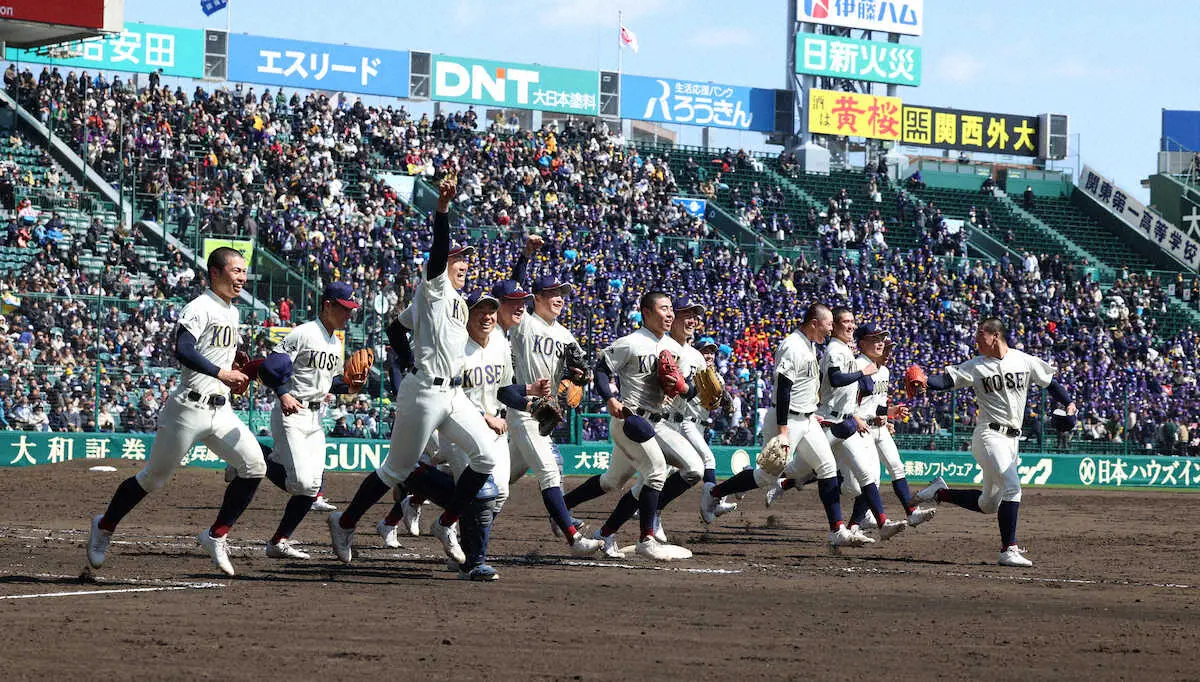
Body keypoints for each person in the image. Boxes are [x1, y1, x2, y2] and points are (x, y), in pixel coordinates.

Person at [325, 175, 499, 567]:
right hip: (423, 393)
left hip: (453, 395)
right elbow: (438, 251)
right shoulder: (434, 287)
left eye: (466, 259)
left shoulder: (452, 302)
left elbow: (394, 327)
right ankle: (346, 520)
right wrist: (442, 210)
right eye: (458, 258)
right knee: (396, 469)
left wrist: (403, 355)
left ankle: (446, 522)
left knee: (485, 458)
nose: (463, 263)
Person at [86, 247, 265, 576]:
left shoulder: (232, 312)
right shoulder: (199, 307)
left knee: (254, 466)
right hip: (188, 409)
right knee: (153, 479)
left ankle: (216, 536)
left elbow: (221, 351)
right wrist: (221, 372)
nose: (242, 277)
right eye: (236, 270)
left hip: (221, 409)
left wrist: (235, 366)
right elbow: (183, 349)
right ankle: (105, 526)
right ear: (215, 273)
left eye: (244, 272)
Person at [377, 291, 549, 580]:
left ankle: (437, 508)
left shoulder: (499, 343)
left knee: (499, 494)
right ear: (465, 316)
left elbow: (505, 390)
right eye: (479, 311)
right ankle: (472, 561)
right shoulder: (454, 347)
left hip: (495, 426)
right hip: (459, 426)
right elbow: (447, 393)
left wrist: (529, 401)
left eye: (491, 311)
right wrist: (484, 417)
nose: (487, 316)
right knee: (481, 493)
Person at [909, 318, 1077, 567]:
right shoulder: (976, 366)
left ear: (995, 336)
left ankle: (939, 492)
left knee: (988, 504)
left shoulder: (1023, 360)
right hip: (989, 435)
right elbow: (946, 380)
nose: (976, 340)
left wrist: (1069, 403)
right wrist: (925, 382)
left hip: (1012, 441)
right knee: (1013, 488)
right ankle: (1008, 550)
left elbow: (1050, 383)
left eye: (980, 335)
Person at [699, 304, 868, 549]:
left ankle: (837, 530)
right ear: (813, 323)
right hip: (786, 418)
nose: (831, 329)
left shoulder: (809, 344)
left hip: (807, 418)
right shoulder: (792, 345)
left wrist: (812, 412)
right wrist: (783, 431)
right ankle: (714, 493)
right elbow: (784, 389)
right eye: (828, 324)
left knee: (827, 467)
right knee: (767, 476)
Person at [563, 295, 711, 558]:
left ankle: (587, 524)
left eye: (670, 309)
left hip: (659, 423)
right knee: (656, 473)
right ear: (646, 312)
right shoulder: (630, 343)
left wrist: (684, 387)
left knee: (619, 480)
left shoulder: (672, 347)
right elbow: (601, 369)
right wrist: (609, 398)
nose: (669, 314)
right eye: (663, 308)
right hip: (630, 420)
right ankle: (646, 538)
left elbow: (688, 391)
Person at [503, 235, 603, 555]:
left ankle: (442, 516)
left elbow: (580, 372)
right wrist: (525, 255)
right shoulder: (524, 323)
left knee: (497, 483)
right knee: (548, 471)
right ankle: (572, 536)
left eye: (562, 293)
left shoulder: (565, 334)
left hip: (545, 414)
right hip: (524, 408)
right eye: (553, 293)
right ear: (536, 297)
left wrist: (578, 380)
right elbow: (512, 292)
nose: (560, 298)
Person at [256, 282, 366, 561]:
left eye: (351, 310)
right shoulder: (303, 333)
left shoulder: (335, 342)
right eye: (344, 309)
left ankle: (278, 542)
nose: (348, 315)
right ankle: (250, 454)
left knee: (313, 488)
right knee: (301, 485)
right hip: (292, 413)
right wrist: (283, 393)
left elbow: (330, 383)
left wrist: (351, 385)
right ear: (328, 305)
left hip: (316, 417)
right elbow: (269, 367)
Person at [844, 323, 937, 533]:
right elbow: (848, 401)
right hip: (861, 428)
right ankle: (854, 525)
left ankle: (911, 512)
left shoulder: (883, 371)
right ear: (864, 344)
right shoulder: (858, 365)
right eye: (880, 343)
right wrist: (857, 417)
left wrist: (890, 412)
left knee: (896, 467)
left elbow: (876, 405)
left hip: (879, 426)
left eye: (886, 345)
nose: (886, 349)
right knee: (865, 482)